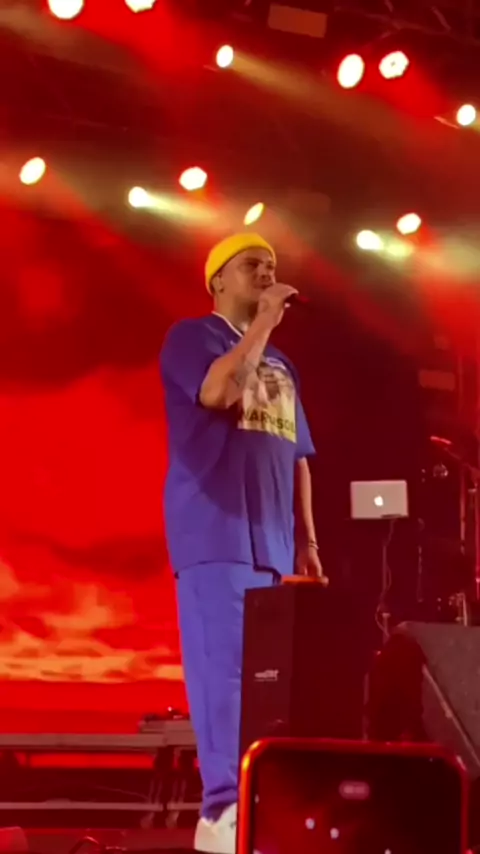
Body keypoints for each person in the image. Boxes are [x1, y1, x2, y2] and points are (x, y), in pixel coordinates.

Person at [160, 233, 327, 854]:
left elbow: (297, 454)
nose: (266, 272)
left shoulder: (282, 365)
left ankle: (256, 802)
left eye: (272, 266)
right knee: (222, 675)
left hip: (273, 543)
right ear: (217, 280)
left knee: (266, 684)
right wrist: (262, 326)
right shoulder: (192, 337)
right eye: (252, 264)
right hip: (214, 528)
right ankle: (220, 811)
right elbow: (217, 393)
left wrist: (308, 539)